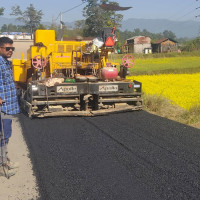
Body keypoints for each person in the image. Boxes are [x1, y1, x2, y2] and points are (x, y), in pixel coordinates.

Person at [0, 37, 20, 178]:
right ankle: (2, 166)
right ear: (0, 48)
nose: (10, 51)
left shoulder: (5, 63)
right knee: (3, 136)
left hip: (9, 105)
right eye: (8, 48)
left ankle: (5, 160)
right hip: (3, 107)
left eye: (12, 48)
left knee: (6, 135)